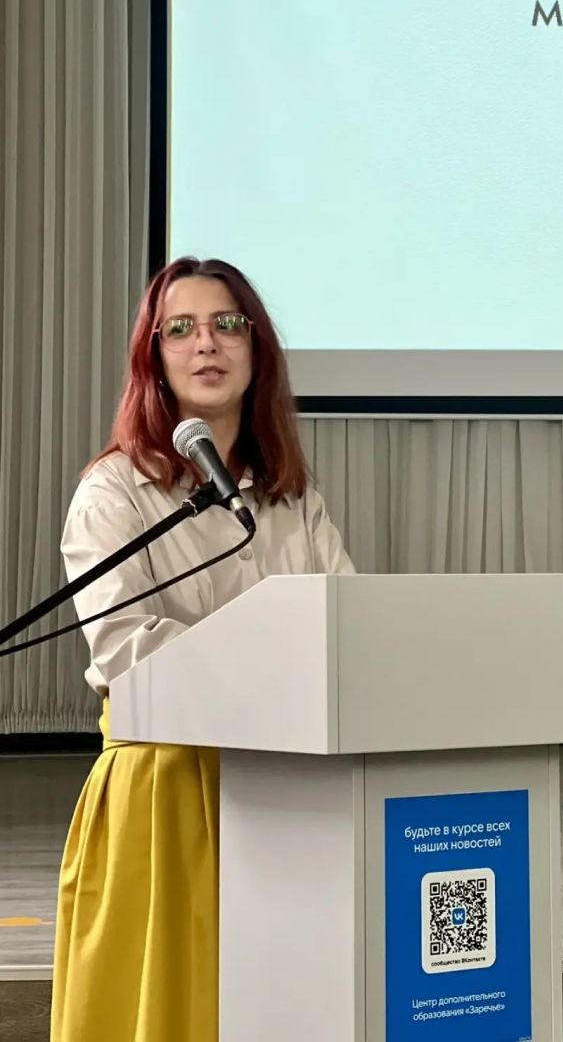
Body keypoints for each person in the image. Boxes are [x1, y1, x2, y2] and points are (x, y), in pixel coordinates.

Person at [50, 257, 354, 1042]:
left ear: (257, 350)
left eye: (226, 325)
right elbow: (129, 649)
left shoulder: (292, 496)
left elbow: (347, 622)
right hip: (167, 791)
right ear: (153, 358)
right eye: (179, 329)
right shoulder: (114, 493)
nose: (206, 343)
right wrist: (276, 670)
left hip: (293, 788)